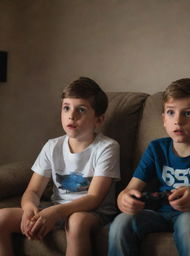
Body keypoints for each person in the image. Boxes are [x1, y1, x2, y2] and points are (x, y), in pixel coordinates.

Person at [108, 78, 190, 256]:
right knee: (122, 222)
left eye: (187, 113)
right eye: (171, 113)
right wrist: (125, 200)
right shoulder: (156, 149)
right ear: (164, 119)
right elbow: (128, 191)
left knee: (188, 222)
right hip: (160, 214)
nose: (178, 121)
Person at [0, 77, 120, 256]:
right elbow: (32, 191)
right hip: (55, 208)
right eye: (66, 108)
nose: (71, 115)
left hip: (94, 213)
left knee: (76, 221)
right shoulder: (52, 146)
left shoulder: (107, 147)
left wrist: (54, 213)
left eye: (81, 109)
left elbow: (94, 198)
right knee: (2, 218)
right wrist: (29, 209)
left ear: (99, 120)